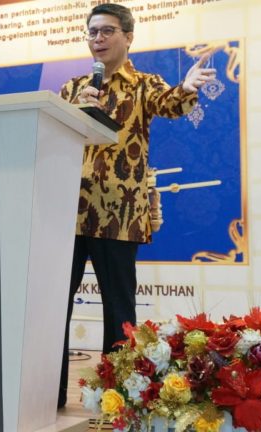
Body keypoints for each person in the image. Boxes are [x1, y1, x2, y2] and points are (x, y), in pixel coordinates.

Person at [57, 4, 216, 408]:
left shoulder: (144, 84)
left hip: (119, 213)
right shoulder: (73, 88)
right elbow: (51, 134)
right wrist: (73, 113)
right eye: (92, 32)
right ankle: (48, 393)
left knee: (119, 307)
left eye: (106, 31)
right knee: (54, 305)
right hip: (67, 212)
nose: (97, 39)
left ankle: (117, 397)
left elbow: (171, 104)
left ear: (128, 37)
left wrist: (188, 87)